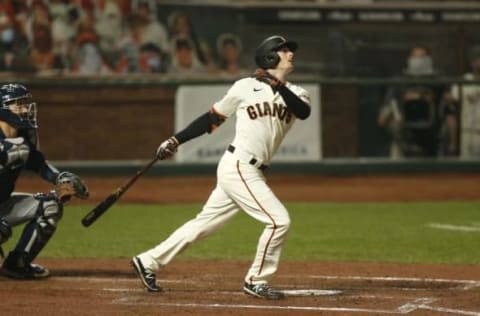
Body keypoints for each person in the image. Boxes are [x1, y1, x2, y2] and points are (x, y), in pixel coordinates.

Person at [131, 35, 311, 299]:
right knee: (279, 221)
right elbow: (211, 119)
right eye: (284, 51)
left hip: (254, 170)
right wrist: (176, 139)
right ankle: (256, 280)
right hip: (239, 165)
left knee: (204, 224)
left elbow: (302, 111)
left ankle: (148, 261)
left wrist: (275, 83)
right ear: (270, 57)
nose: (290, 55)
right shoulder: (245, 86)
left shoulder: (297, 92)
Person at [0, 83, 89, 279]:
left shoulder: (21, 138)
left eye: (26, 104)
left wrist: (60, 178)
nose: (25, 110)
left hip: (2, 203)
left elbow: (39, 164)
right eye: (19, 104)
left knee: (50, 205)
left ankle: (18, 264)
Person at [378, 45, 456, 158]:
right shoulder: (399, 84)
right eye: (415, 57)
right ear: (409, 59)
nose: (419, 61)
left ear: (429, 60)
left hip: (431, 143)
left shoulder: (438, 84)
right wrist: (397, 123)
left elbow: (450, 115)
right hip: (404, 142)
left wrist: (452, 144)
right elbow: (382, 119)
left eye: (422, 57)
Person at [450, 45, 480, 157]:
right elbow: (452, 103)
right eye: (477, 59)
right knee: (467, 171)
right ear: (472, 63)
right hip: (468, 132)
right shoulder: (463, 80)